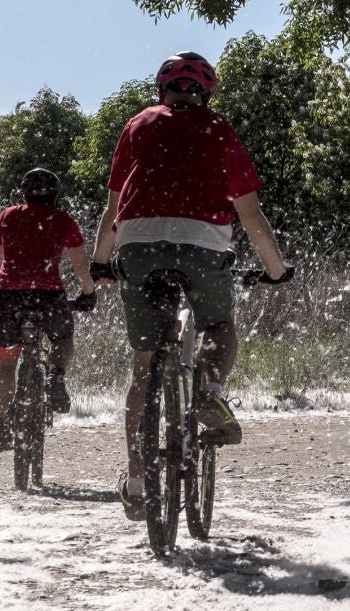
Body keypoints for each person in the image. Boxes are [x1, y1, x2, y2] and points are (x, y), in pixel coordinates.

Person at [89, 52, 291, 519]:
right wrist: (276, 270)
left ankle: (137, 481)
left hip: (137, 243)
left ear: (162, 90)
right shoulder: (218, 128)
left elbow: (112, 209)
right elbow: (250, 215)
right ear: (206, 93)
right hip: (203, 243)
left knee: (143, 368)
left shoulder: (138, 125)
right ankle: (210, 390)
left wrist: (100, 264)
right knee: (218, 325)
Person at [0, 168, 97, 452]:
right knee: (62, 339)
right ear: (56, 195)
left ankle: (2, 428)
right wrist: (88, 292)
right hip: (49, 297)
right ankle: (55, 375)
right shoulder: (62, 220)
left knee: (5, 363)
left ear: (24, 194)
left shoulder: (8, 216)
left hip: (10, 297)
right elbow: (80, 265)